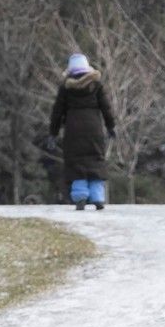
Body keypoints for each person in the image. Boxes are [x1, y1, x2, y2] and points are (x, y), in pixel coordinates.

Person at [49, 53, 116, 210]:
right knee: (95, 159)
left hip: (73, 130)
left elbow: (57, 112)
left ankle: (80, 196)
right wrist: (111, 126)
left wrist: (53, 132)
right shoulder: (96, 86)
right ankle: (98, 197)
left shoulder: (66, 88)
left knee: (76, 162)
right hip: (94, 129)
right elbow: (106, 108)